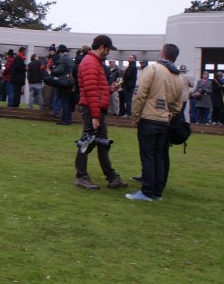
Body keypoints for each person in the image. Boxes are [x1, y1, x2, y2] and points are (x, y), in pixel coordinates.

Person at [125, 43, 184, 202]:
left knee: (148, 156)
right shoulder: (178, 75)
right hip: (164, 121)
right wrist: (169, 114)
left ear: (162, 54)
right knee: (159, 155)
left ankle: (147, 191)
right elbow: (179, 103)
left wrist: (135, 115)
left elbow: (140, 93)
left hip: (149, 118)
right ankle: (157, 192)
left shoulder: (153, 69)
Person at [73, 35, 127, 191]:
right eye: (108, 49)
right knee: (87, 143)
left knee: (102, 144)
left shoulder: (94, 62)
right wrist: (95, 116)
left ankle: (111, 177)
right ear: (103, 47)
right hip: (92, 110)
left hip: (94, 109)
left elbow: (96, 90)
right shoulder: (90, 63)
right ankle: (81, 177)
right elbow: (90, 92)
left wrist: (110, 89)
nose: (108, 53)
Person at [52, 44, 74, 125]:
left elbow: (60, 71)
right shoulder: (70, 59)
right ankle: (68, 119)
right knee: (67, 102)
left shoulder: (63, 58)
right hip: (70, 82)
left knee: (64, 102)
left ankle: (65, 120)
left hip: (64, 82)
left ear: (60, 51)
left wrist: (54, 69)